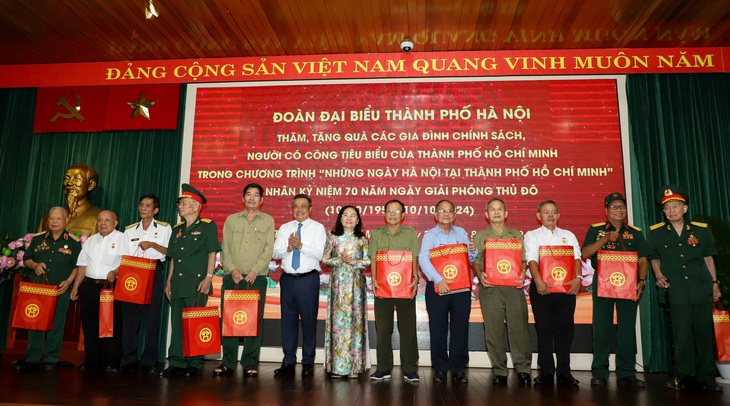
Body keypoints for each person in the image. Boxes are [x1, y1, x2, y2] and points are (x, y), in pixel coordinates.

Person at [648, 185, 722, 392]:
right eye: (667, 208)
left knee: (704, 334)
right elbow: (654, 258)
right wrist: (659, 275)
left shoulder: (701, 230)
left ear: (685, 208)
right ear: (663, 211)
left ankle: (707, 376)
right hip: (675, 290)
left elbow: (708, 259)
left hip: (700, 288)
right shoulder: (656, 233)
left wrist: (714, 283)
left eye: (676, 206)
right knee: (681, 336)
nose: (671, 211)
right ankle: (683, 375)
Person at [581, 192, 649, 387]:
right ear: (606, 211)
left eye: (621, 207)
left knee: (627, 330)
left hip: (629, 286)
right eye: (614, 207)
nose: (618, 210)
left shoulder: (635, 232)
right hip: (603, 284)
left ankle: (627, 373)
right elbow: (585, 253)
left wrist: (641, 281)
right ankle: (599, 371)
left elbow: (643, 259)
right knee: (601, 328)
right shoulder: (596, 230)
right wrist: (605, 239)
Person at [160, 184, 221, 377]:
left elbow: (212, 253)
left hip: (197, 283)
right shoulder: (177, 229)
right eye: (180, 204)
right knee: (177, 324)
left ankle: (194, 363)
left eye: (184, 204)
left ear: (195, 206)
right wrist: (169, 281)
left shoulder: (207, 226)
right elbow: (173, 258)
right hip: (178, 284)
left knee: (195, 323)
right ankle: (177, 362)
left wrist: (208, 278)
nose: (180, 207)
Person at [215, 183, 274, 378]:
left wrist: (255, 271)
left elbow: (268, 249)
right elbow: (225, 248)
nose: (252, 198)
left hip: (256, 278)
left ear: (262, 200)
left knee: (254, 320)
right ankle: (228, 362)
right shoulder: (232, 220)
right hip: (232, 277)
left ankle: (250, 362)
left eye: (256, 195)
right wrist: (232, 269)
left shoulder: (267, 221)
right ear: (243, 198)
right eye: (248, 194)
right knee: (229, 320)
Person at [471, 198, 532, 385]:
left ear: (506, 213)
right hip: (490, 289)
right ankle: (500, 370)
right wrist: (480, 274)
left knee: (519, 329)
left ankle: (523, 368)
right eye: (492, 209)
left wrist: (522, 272)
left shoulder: (515, 234)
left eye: (500, 209)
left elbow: (523, 259)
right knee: (493, 330)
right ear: (486, 214)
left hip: (513, 288)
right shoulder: (480, 236)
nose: (496, 212)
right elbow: (476, 261)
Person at [418, 199, 477, 384]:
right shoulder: (430, 236)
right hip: (437, 287)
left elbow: (469, 258)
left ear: (454, 215)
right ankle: (441, 368)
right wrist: (439, 279)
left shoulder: (461, 233)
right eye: (442, 210)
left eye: (449, 211)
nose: (446, 213)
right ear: (435, 215)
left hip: (460, 288)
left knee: (460, 328)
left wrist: (473, 251)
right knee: (438, 329)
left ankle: (459, 368)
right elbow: (423, 260)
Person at [16, 207, 81, 372]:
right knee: (35, 323)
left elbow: (77, 267)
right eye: (51, 218)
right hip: (38, 289)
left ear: (66, 220)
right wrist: (35, 265)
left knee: (57, 326)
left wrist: (69, 282)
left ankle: (51, 359)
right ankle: (32, 359)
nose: (54, 221)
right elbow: (27, 258)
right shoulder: (37, 239)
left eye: (58, 219)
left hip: (60, 289)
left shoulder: (73, 242)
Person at [524, 200, 582, 385]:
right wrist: (538, 281)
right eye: (546, 212)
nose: (550, 215)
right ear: (538, 216)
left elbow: (577, 258)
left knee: (565, 331)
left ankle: (565, 372)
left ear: (558, 215)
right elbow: (532, 259)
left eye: (553, 212)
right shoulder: (532, 235)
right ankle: (546, 371)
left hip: (566, 289)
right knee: (544, 330)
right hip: (542, 289)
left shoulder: (568, 235)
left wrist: (578, 278)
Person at [272, 194, 326, 377]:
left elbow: (320, 254)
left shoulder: (318, 228)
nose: (299, 209)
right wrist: (288, 249)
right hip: (288, 279)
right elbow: (276, 253)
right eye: (296, 206)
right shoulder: (285, 228)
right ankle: (288, 361)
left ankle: (308, 362)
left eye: (303, 206)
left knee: (309, 322)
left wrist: (300, 246)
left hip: (308, 280)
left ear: (310, 209)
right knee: (288, 322)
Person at [119, 194, 171, 374]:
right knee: (130, 320)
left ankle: (149, 361)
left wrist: (153, 245)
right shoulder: (130, 230)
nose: (143, 208)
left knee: (151, 319)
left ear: (155, 210)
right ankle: (128, 360)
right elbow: (124, 255)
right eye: (141, 205)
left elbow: (169, 251)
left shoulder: (164, 228)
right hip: (131, 273)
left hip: (152, 272)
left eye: (148, 206)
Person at [369, 200, 420, 383]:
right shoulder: (376, 234)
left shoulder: (410, 233)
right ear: (384, 214)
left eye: (396, 211)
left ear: (403, 215)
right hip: (382, 287)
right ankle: (383, 368)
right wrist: (374, 279)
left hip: (405, 287)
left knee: (408, 330)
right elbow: (374, 257)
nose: (392, 214)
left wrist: (415, 278)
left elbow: (414, 258)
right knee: (383, 330)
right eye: (389, 211)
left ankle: (410, 369)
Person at [70, 210, 125, 372]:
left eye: (107, 220)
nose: (102, 223)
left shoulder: (123, 239)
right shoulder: (90, 241)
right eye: (100, 220)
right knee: (89, 325)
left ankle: (112, 362)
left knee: (112, 325)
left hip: (111, 287)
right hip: (90, 287)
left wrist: (115, 272)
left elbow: (127, 262)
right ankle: (91, 361)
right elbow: (82, 266)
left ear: (115, 223)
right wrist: (75, 287)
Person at [322, 205, 370, 379]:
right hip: (338, 287)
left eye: (353, 216)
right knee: (338, 325)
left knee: (354, 324)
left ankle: (354, 368)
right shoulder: (333, 238)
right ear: (340, 219)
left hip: (356, 287)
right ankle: (337, 367)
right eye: (345, 215)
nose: (349, 218)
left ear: (358, 220)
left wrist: (353, 263)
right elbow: (325, 260)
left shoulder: (362, 240)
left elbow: (368, 262)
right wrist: (339, 260)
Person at [38, 164, 103, 236]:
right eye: (66, 178)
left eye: (76, 179)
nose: (69, 183)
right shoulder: (47, 217)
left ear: (91, 185)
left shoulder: (101, 218)